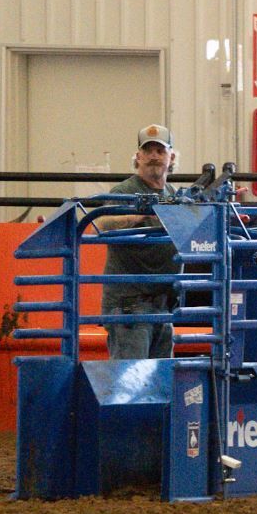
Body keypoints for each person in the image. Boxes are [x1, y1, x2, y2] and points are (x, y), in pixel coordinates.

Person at [94, 124, 181, 359]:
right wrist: (142, 213)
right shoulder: (124, 191)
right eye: (148, 150)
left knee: (160, 382)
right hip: (129, 304)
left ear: (171, 157)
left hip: (162, 305)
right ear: (138, 157)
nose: (154, 156)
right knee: (131, 383)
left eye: (160, 151)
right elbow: (100, 224)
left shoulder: (173, 195)